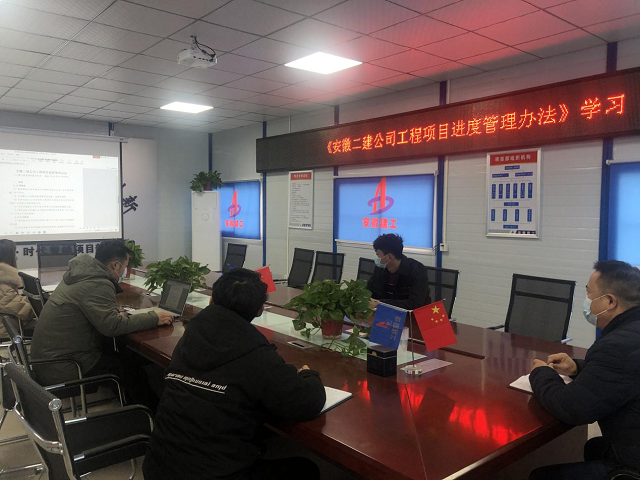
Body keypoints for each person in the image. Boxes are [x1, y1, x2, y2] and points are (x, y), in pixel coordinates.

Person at [143, 268, 326, 480]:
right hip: (213, 474)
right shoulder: (255, 352)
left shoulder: (190, 335)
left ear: (212, 300)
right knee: (306, 469)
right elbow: (306, 403)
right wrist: (309, 375)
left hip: (157, 467)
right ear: (260, 310)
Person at [529, 260, 640, 480]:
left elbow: (571, 408)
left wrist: (541, 373)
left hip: (633, 466)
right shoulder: (631, 332)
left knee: (540, 476)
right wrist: (577, 368)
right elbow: (621, 375)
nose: (587, 301)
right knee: (594, 447)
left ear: (609, 301)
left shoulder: (617, 345)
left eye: (589, 294)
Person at [30, 239, 173, 405]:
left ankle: (129, 400)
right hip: (64, 365)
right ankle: (149, 413)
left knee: (121, 355)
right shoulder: (97, 283)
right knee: (131, 373)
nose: (125, 272)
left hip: (49, 358)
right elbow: (112, 326)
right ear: (115, 265)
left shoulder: (80, 275)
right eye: (125, 266)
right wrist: (154, 317)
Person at [367, 233, 430, 310]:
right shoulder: (380, 268)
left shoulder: (417, 270)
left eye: (378, 255)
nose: (376, 258)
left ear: (389, 257)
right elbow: (369, 290)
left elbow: (415, 303)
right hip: (384, 312)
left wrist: (380, 303)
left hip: (411, 315)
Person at [0, 239, 36, 339]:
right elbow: (26, 312)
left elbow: (14, 302)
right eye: (15, 253)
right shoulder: (2, 286)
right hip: (7, 331)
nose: (16, 257)